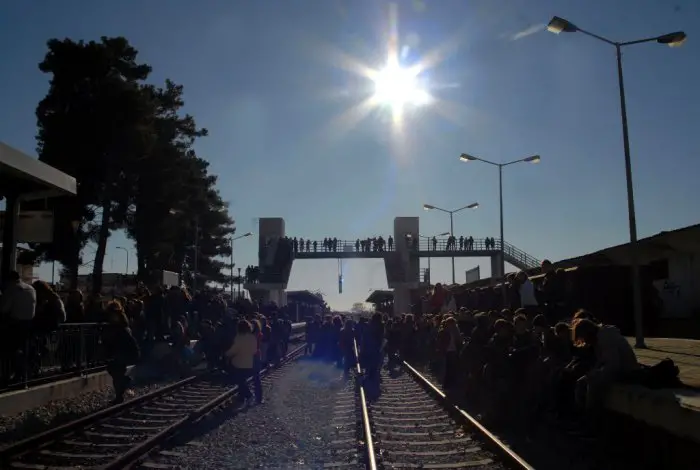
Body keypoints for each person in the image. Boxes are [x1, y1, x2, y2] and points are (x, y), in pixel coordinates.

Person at [225, 319, 261, 405]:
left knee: (240, 380)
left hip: (242, 362)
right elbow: (253, 350)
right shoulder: (251, 337)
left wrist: (226, 354)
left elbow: (234, 350)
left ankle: (248, 396)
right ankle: (251, 398)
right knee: (248, 380)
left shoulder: (239, 338)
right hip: (252, 361)